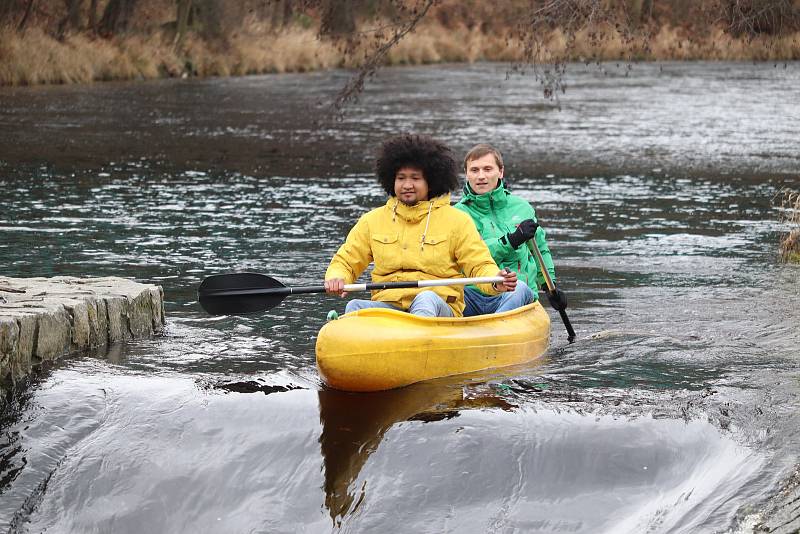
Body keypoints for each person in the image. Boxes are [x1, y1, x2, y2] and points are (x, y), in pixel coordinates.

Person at [324, 134, 517, 317]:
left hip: (438, 305)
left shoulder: (458, 221)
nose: (407, 185)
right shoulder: (371, 220)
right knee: (354, 306)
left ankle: (418, 343)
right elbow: (347, 260)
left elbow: (479, 265)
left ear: (431, 182)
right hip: (389, 305)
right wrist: (337, 277)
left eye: (415, 178)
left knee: (426, 299)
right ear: (391, 180)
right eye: (401, 178)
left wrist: (495, 281)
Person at [454, 143, 567, 316]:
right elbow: (470, 257)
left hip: (515, 294)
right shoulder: (458, 214)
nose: (481, 176)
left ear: (500, 172)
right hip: (472, 295)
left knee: (520, 288)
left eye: (487, 169)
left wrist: (549, 286)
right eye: (474, 170)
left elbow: (540, 250)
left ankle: (496, 328)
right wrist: (511, 240)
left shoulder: (522, 208)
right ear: (466, 174)